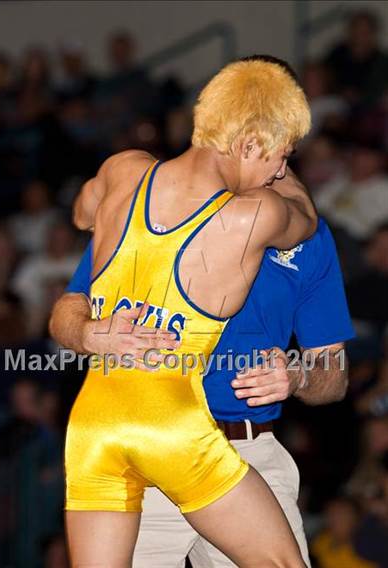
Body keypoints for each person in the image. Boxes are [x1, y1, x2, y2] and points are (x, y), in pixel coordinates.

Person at [51, 56, 317, 566]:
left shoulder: (123, 170)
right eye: (279, 156)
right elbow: (306, 218)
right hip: (170, 422)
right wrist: (283, 180)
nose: (279, 170)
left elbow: (83, 212)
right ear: (249, 145)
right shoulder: (252, 215)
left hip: (93, 426)